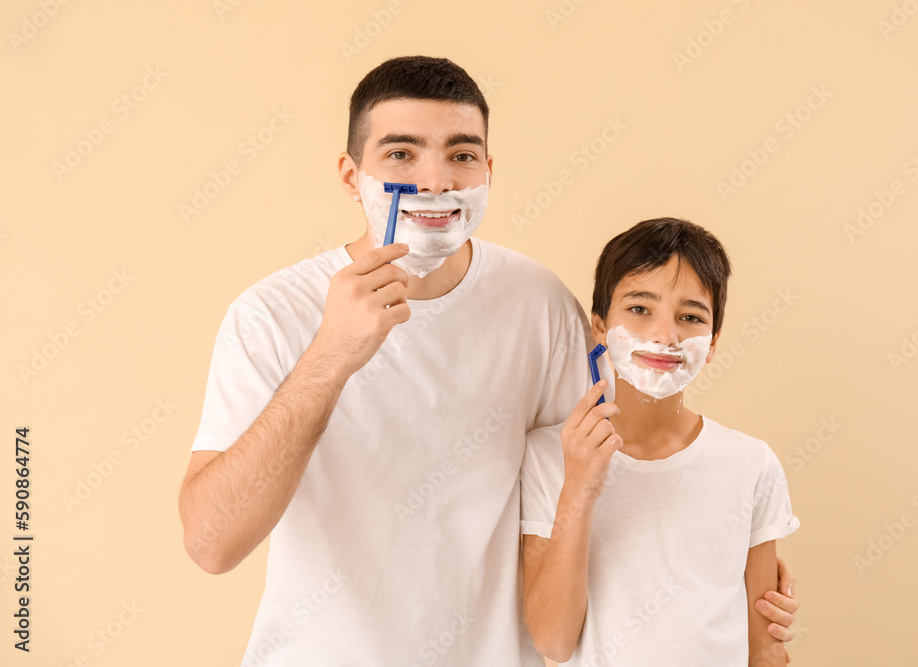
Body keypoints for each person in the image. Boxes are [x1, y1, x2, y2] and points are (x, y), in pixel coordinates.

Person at [177, 57, 798, 666]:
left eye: (461, 155)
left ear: (488, 170)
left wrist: (734, 567)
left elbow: (595, 489)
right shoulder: (270, 315)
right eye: (400, 153)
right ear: (350, 175)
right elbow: (211, 545)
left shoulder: (543, 306)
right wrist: (331, 355)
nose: (436, 181)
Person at [520, 217, 800, 666]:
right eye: (639, 309)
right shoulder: (547, 457)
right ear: (599, 327)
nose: (664, 336)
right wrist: (579, 487)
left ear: (711, 343)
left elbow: (765, 649)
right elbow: (552, 641)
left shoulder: (752, 465)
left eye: (690, 317)